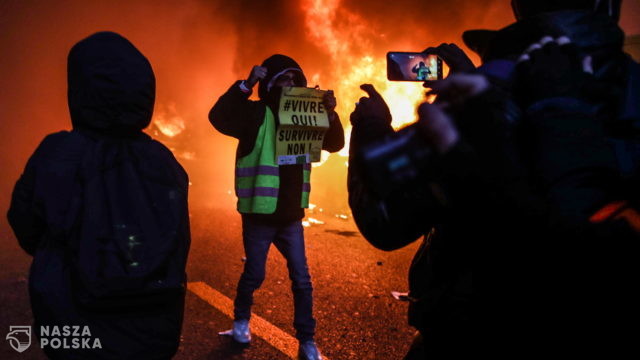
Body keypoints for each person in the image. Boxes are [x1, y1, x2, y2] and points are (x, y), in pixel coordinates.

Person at [7, 32, 190, 359]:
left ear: (78, 90)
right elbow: (178, 240)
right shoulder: (163, 161)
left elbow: (26, 227)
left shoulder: (58, 153)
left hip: (74, 325)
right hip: (154, 332)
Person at [208, 54, 344, 360]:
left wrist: (331, 115)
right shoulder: (255, 114)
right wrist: (246, 85)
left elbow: (334, 145)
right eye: (283, 79)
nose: (290, 85)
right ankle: (241, 322)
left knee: (302, 279)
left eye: (295, 80)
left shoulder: (305, 113)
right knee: (255, 273)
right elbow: (218, 116)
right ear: (269, 84)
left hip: (291, 215)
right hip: (260, 213)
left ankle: (307, 342)